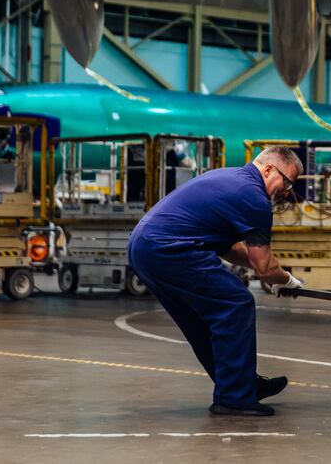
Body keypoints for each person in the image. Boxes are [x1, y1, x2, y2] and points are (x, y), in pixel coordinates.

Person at [127, 146, 304, 417]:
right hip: (168, 248)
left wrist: (275, 276)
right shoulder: (254, 198)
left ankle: (242, 384)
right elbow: (264, 267)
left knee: (200, 320)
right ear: (268, 169)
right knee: (236, 303)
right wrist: (287, 280)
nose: (286, 191)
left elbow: (228, 248)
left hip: (144, 246)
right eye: (287, 182)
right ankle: (235, 396)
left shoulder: (230, 179)